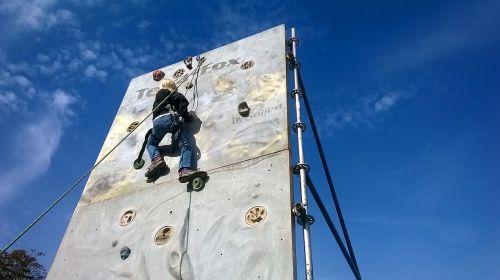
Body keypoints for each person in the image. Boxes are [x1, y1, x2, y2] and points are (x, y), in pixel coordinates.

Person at [146, 71, 196, 183]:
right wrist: (187, 117)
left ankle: (156, 159)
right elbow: (182, 104)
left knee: (151, 144)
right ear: (172, 87)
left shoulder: (157, 99)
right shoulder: (172, 94)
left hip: (157, 123)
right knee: (185, 146)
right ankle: (184, 170)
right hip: (170, 120)